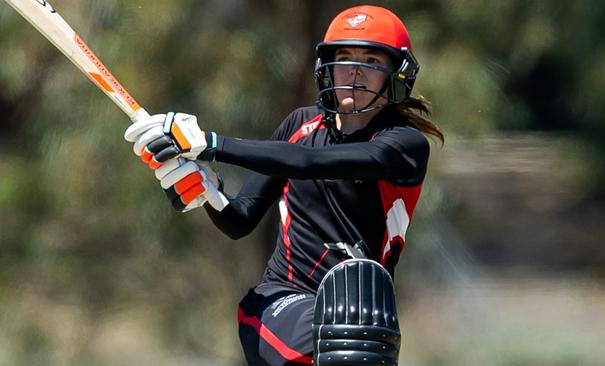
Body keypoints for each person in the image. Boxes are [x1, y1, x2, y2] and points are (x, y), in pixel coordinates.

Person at [124, 5, 443, 366]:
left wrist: (212, 143)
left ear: (395, 74)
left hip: (362, 315)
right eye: (344, 57)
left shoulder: (404, 144)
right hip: (279, 303)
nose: (354, 71)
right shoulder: (300, 124)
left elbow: (312, 163)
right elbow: (239, 220)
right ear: (328, 65)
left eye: (371, 60)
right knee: (342, 335)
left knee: (352, 331)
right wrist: (207, 194)